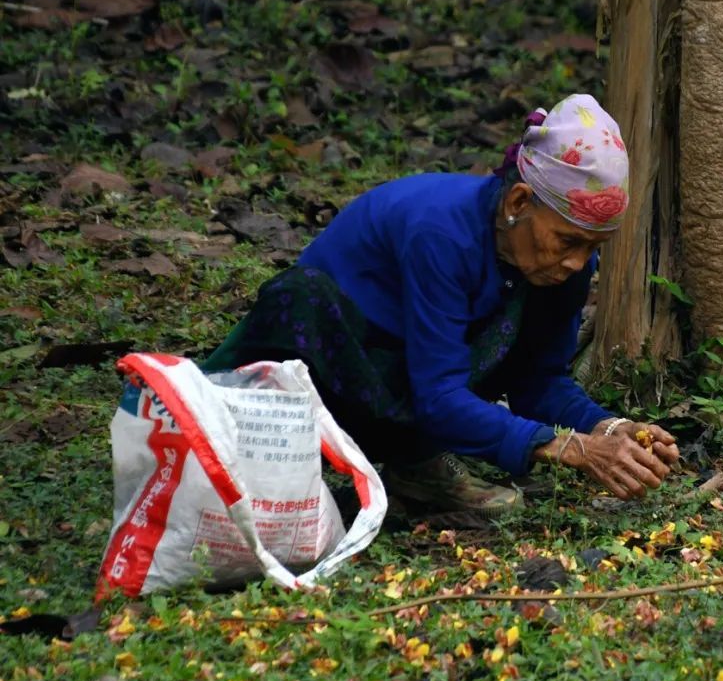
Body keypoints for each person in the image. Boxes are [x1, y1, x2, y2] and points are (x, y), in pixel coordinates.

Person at [204, 94, 678, 519]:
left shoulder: (556, 262)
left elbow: (540, 382)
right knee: (303, 303)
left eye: (593, 247)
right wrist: (572, 449)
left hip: (405, 378)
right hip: (333, 369)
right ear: (519, 200)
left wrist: (612, 428)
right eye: (568, 240)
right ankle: (270, 464)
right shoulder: (441, 233)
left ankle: (414, 465)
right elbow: (438, 398)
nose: (578, 263)